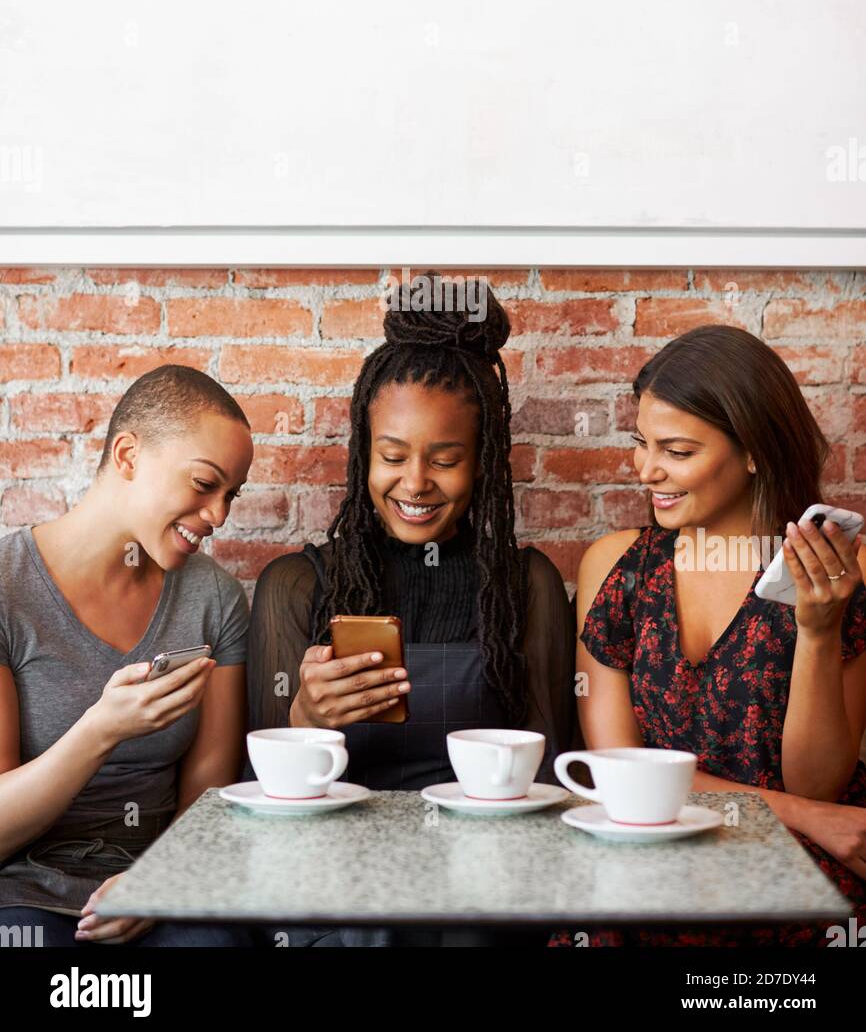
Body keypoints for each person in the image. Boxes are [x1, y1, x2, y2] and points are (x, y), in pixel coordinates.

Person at [246, 272, 576, 946]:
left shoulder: (526, 586)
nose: (416, 483)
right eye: (392, 456)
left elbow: (550, 781)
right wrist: (306, 718)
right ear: (364, 455)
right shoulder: (297, 587)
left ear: (482, 463)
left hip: (485, 894)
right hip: (336, 896)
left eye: (446, 460)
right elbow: (254, 800)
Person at [548, 324, 866, 947]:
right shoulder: (616, 567)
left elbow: (817, 781)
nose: (645, 470)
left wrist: (819, 631)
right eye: (642, 443)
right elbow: (620, 771)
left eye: (677, 451)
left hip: (798, 865)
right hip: (658, 840)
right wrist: (814, 820)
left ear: (753, 450)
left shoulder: (838, 569)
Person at [0, 364, 257, 946]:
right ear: (127, 455)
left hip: (169, 885)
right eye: (204, 484)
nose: (219, 516)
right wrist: (102, 730)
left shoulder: (214, 598)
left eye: (230, 495)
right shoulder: (7, 588)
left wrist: (157, 879)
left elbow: (208, 800)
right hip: (26, 894)